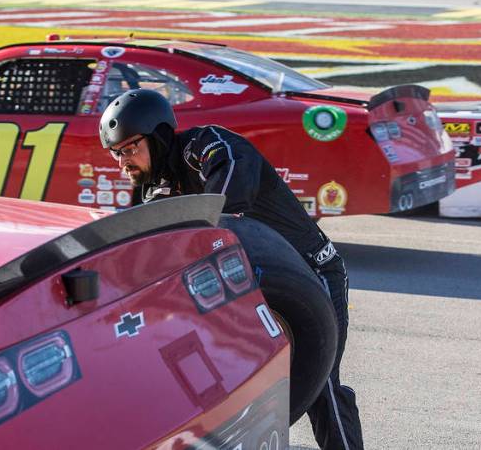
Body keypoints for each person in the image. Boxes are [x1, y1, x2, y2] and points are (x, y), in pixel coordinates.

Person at [98, 89, 364, 450]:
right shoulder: (155, 191)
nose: (122, 162)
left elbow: (222, 208)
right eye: (116, 153)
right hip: (246, 285)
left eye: (129, 148)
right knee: (229, 386)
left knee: (322, 385)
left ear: (159, 136)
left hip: (314, 273)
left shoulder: (208, 145)